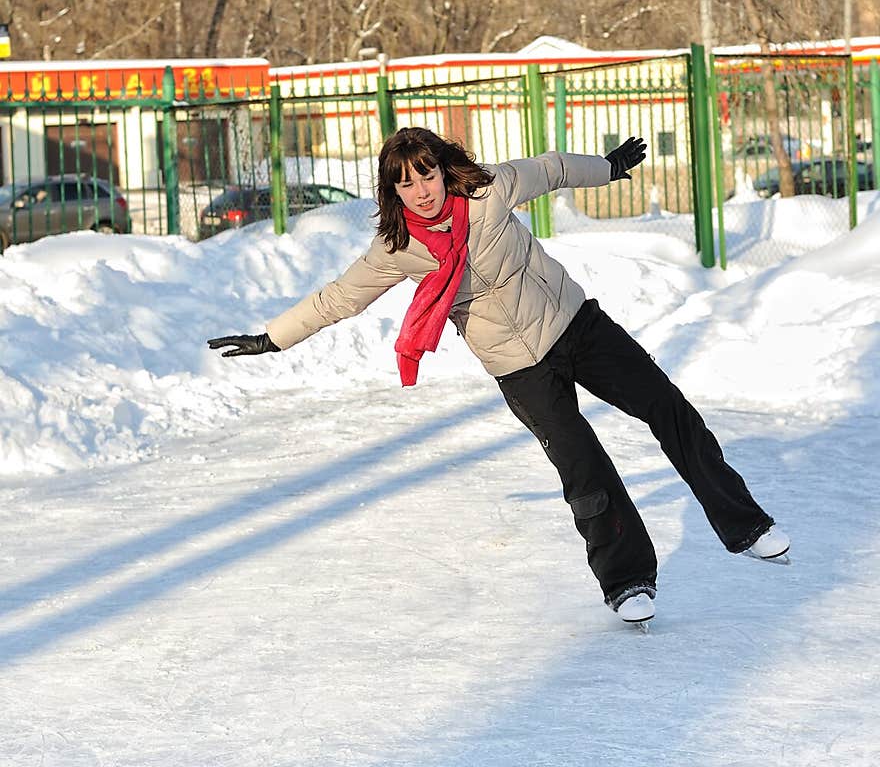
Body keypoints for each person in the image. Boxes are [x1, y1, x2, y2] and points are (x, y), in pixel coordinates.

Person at [208, 126, 789, 625]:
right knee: (582, 464)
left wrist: (606, 169)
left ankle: (746, 526)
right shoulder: (398, 248)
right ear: (393, 192)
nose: (421, 191)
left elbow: (552, 168)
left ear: (442, 170)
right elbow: (339, 298)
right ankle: (627, 580)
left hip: (574, 323)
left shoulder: (488, 192)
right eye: (405, 183)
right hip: (518, 366)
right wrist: (273, 338)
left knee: (668, 408)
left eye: (426, 175)